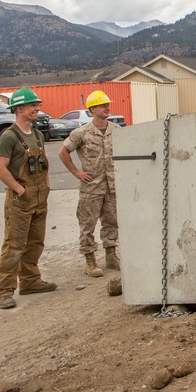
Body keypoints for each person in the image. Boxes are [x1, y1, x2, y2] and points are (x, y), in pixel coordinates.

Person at [0, 87, 57, 309]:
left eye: (36, 105)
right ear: (19, 108)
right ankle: (3, 291)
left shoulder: (38, 135)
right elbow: (0, 169)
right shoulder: (9, 136)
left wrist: (46, 186)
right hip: (20, 201)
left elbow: (43, 164)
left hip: (39, 198)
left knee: (35, 242)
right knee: (14, 246)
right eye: (32, 105)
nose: (37, 108)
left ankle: (30, 281)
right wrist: (19, 190)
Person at [58, 90, 119, 277]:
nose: (107, 108)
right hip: (91, 188)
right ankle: (90, 261)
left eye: (108, 105)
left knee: (112, 222)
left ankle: (111, 256)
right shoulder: (81, 133)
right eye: (103, 105)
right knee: (87, 225)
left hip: (111, 187)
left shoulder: (116, 130)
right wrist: (76, 172)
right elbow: (63, 152)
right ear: (92, 109)